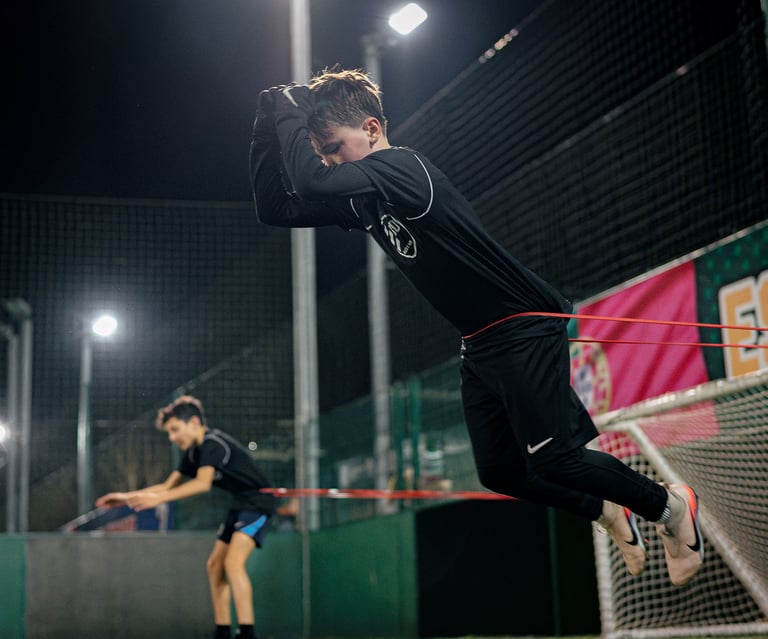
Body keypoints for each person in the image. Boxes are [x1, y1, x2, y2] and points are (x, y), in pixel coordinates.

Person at [248, 68, 704, 586]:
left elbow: (311, 181)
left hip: (523, 321)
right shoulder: (364, 196)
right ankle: (604, 508)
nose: (329, 162)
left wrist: (288, 112)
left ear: (372, 129)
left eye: (333, 148)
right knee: (500, 472)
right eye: (323, 153)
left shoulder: (402, 168)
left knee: (557, 460)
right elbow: (276, 208)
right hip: (482, 340)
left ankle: (670, 507)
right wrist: (266, 128)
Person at [95, 395, 276, 639]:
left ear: (193, 422)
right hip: (239, 503)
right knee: (215, 566)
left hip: (259, 503)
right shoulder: (193, 454)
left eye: (174, 429)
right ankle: (222, 632)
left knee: (233, 563)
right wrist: (126, 498)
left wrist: (160, 500)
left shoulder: (213, 444)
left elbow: (202, 484)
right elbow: (166, 486)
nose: (172, 437)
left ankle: (247, 633)